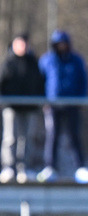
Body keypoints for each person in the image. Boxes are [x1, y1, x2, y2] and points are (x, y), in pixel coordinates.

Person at [36, 30, 88, 183]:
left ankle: (80, 167)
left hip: (72, 104)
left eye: (63, 43)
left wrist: (81, 101)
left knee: (74, 136)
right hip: (53, 105)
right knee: (52, 136)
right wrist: (43, 101)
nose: (61, 46)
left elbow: (83, 81)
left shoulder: (76, 60)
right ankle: (50, 167)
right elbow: (40, 82)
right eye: (58, 44)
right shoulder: (47, 60)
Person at [0, 33, 44, 184]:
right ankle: (8, 167)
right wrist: (4, 102)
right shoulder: (7, 62)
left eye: (25, 44)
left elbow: (40, 83)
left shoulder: (33, 62)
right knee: (10, 138)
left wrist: (38, 101)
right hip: (12, 107)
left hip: (30, 108)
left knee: (27, 138)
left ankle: (24, 168)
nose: (22, 47)